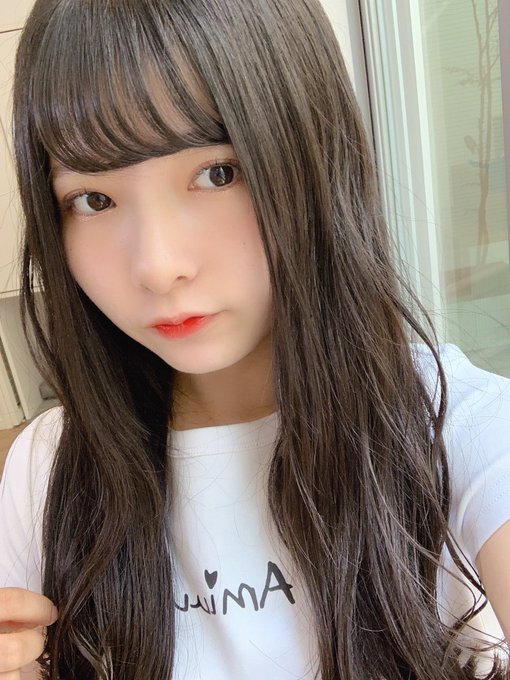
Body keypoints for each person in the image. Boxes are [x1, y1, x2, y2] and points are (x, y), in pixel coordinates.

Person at [0, 0, 509, 677]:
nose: (157, 266)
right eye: (94, 200)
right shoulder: (47, 469)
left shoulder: (461, 432)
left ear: (315, 154)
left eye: (218, 173)